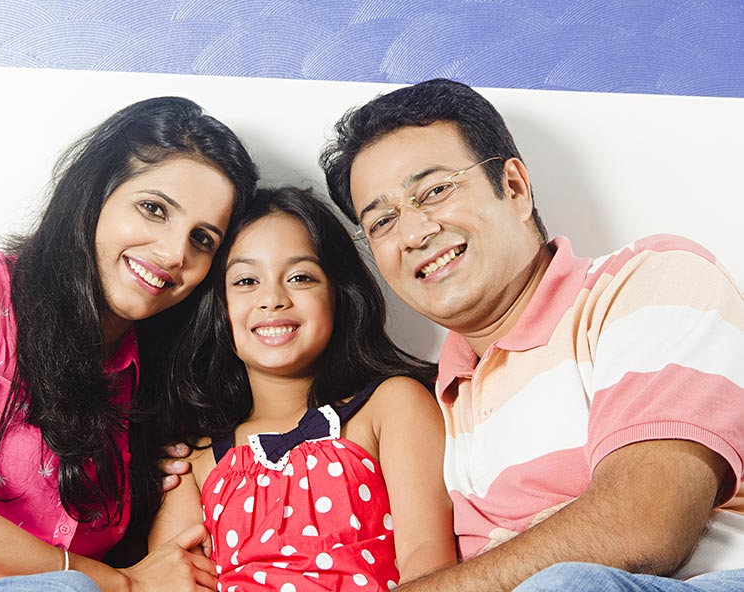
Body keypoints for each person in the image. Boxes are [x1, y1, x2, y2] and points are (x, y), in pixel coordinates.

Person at [319, 78, 744, 591]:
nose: (414, 234)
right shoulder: (435, 401)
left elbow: (644, 525)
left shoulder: (646, 281)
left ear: (515, 188)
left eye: (434, 191)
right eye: (383, 220)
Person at [0, 96, 258, 592]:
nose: (174, 253)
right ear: (94, 194)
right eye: (153, 209)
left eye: (203, 240)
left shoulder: (150, 385)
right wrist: (123, 583)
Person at [148, 186, 456, 590]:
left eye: (300, 277)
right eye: (245, 280)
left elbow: (428, 563)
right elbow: (171, 580)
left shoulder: (391, 406)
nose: (272, 299)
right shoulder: (196, 461)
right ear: (219, 308)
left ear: (338, 294)